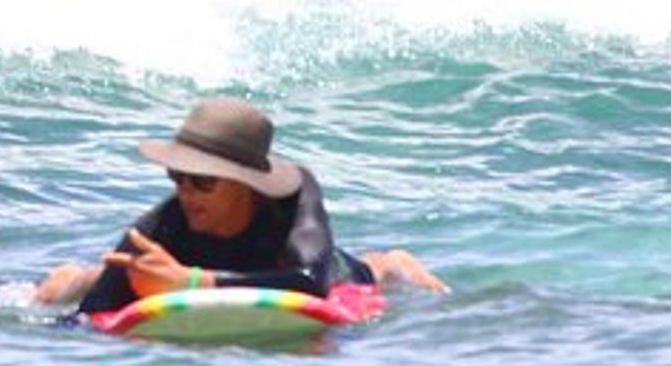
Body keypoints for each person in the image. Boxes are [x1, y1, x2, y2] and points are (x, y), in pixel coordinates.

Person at [35, 97, 448, 311]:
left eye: (202, 180)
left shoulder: (294, 199)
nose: (185, 192)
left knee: (371, 270)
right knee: (98, 279)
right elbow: (91, 315)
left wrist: (193, 284)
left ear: (246, 185)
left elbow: (311, 282)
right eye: (177, 176)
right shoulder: (165, 222)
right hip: (198, 271)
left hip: (319, 270)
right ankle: (73, 276)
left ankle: (391, 261)